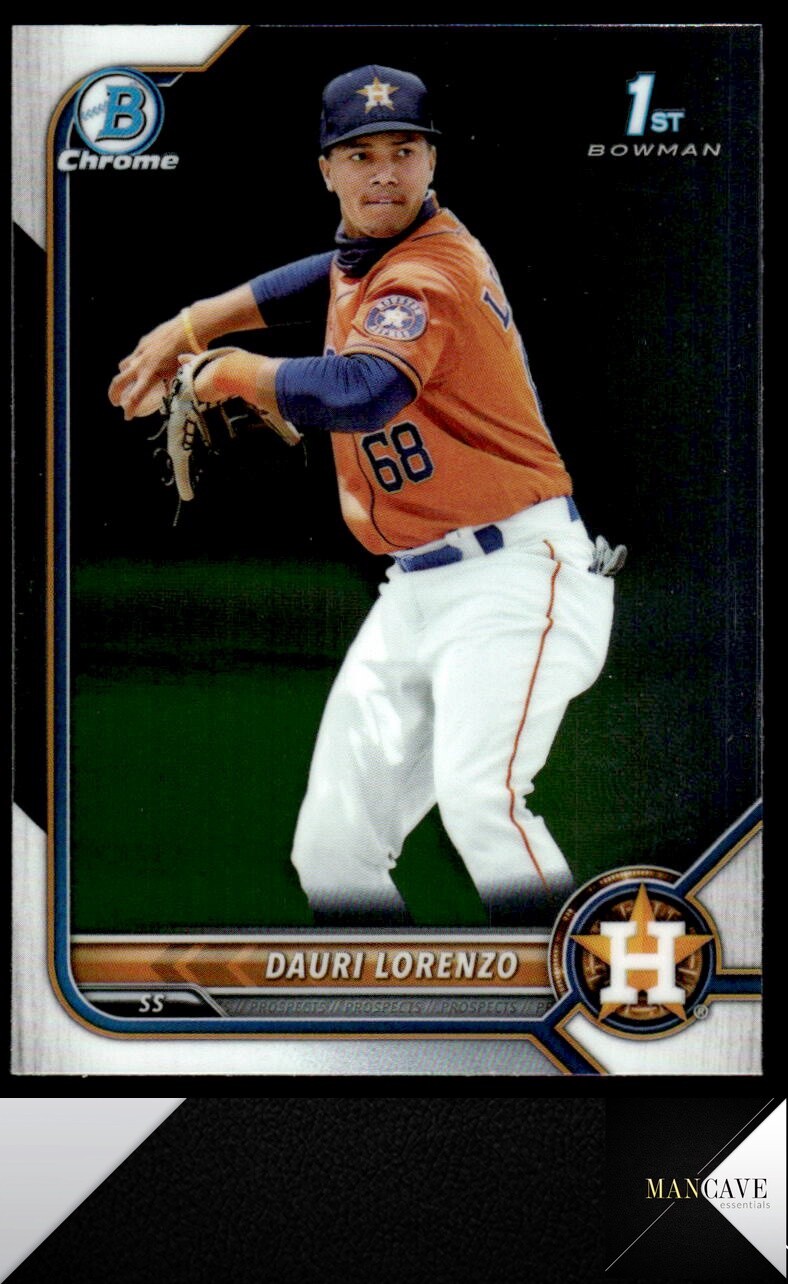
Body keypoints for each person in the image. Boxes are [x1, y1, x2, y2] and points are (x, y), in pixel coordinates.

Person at [109, 64, 621, 926]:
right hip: (416, 591)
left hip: (516, 579)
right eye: (360, 155)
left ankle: (574, 992)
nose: (384, 173)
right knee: (333, 852)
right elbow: (326, 273)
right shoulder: (373, 256)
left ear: (432, 162)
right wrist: (192, 324)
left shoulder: (431, 272)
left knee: (483, 802)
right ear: (327, 170)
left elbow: (362, 391)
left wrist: (230, 370)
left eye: (403, 151)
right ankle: (386, 999)